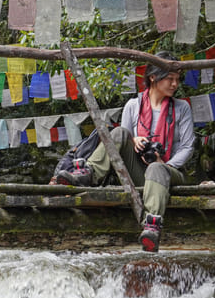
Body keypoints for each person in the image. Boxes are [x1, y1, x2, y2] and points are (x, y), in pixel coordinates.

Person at [56, 51, 195, 252]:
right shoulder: (133, 105)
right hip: (139, 171)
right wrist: (134, 139)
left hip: (168, 173)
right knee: (119, 132)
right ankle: (88, 173)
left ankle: (152, 226)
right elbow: (121, 142)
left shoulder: (182, 108)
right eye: (170, 79)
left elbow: (187, 147)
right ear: (153, 77)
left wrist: (167, 164)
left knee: (156, 167)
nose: (175, 84)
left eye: (177, 80)